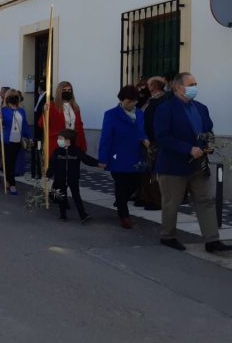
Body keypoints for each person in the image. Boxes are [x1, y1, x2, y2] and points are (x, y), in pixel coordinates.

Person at [153, 72, 232, 253]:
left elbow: (208, 129)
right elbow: (162, 136)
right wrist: (187, 148)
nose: (195, 87)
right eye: (191, 84)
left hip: (198, 165)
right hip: (173, 165)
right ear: (178, 87)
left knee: (205, 201)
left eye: (196, 84)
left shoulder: (201, 108)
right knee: (171, 202)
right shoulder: (165, 108)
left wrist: (209, 143)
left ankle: (212, 240)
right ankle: (168, 236)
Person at [98, 85, 149, 229]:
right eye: (128, 101)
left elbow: (141, 131)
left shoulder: (139, 114)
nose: (131, 104)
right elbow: (106, 138)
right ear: (121, 100)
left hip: (135, 156)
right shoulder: (111, 114)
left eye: (134, 101)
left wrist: (144, 139)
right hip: (117, 156)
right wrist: (103, 159)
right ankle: (124, 216)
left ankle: (121, 201)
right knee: (121, 186)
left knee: (136, 183)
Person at [47, 129, 98, 222]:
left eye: (60, 138)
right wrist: (48, 175)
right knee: (61, 196)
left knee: (76, 196)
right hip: (60, 178)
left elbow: (86, 159)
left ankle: (83, 215)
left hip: (73, 178)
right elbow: (52, 164)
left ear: (68, 140)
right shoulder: (57, 151)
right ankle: (62, 215)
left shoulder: (77, 151)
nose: (58, 140)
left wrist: (98, 163)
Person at [140, 76, 169, 210]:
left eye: (149, 84)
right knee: (147, 170)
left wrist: (151, 139)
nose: (146, 86)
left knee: (155, 172)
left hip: (155, 141)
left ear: (155, 86)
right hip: (147, 140)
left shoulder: (163, 100)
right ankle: (146, 197)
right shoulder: (151, 100)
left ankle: (156, 201)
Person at [0, 89, 31, 195]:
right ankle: (12, 184)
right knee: (8, 163)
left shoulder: (21, 111)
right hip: (6, 141)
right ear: (7, 98)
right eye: (11, 96)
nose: (14, 97)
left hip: (17, 141)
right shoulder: (3, 110)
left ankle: (7, 180)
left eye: (16, 96)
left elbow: (25, 125)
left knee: (12, 162)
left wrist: (29, 137)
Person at [41, 81, 87, 158]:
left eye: (69, 90)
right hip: (58, 143)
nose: (67, 92)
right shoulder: (52, 106)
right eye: (64, 90)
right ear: (60, 92)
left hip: (73, 143)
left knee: (72, 166)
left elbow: (79, 126)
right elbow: (42, 124)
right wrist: (45, 112)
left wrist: (82, 144)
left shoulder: (75, 107)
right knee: (59, 167)